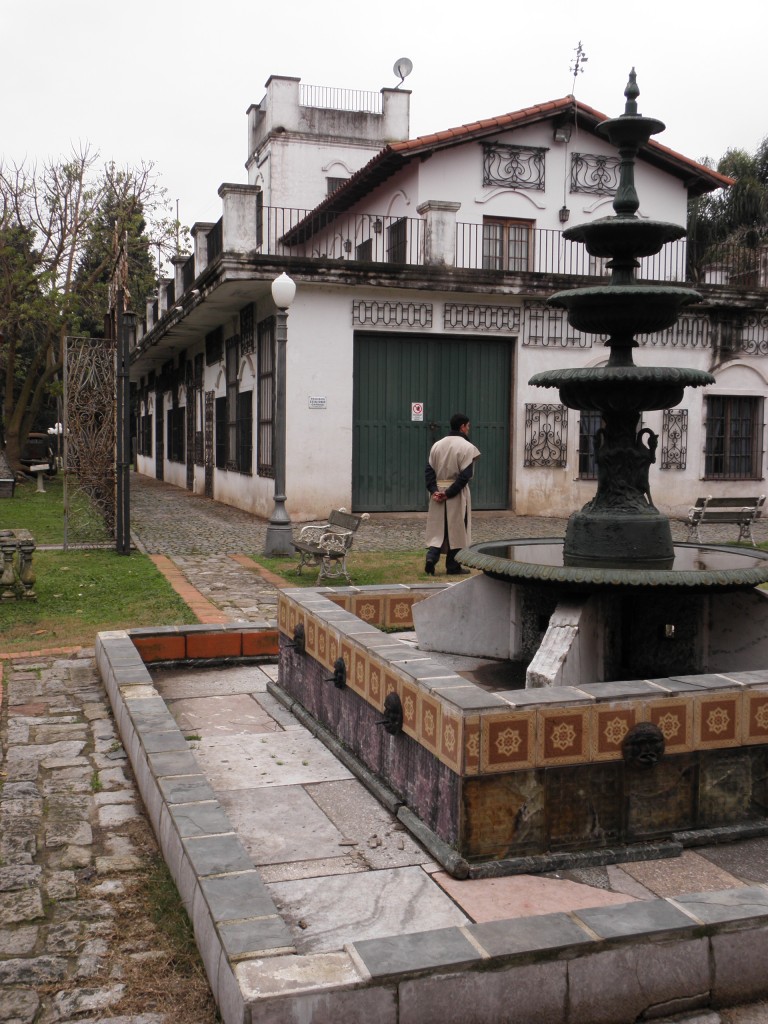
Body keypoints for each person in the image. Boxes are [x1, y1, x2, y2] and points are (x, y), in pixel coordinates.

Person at [424, 413, 481, 575]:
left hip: (438, 491)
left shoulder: (437, 445)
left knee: (438, 528)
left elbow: (429, 471)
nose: (468, 430)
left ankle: (431, 557)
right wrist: (449, 493)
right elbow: (465, 475)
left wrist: (435, 491)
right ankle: (453, 566)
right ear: (462, 426)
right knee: (456, 529)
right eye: (468, 426)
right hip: (456, 493)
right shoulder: (467, 447)